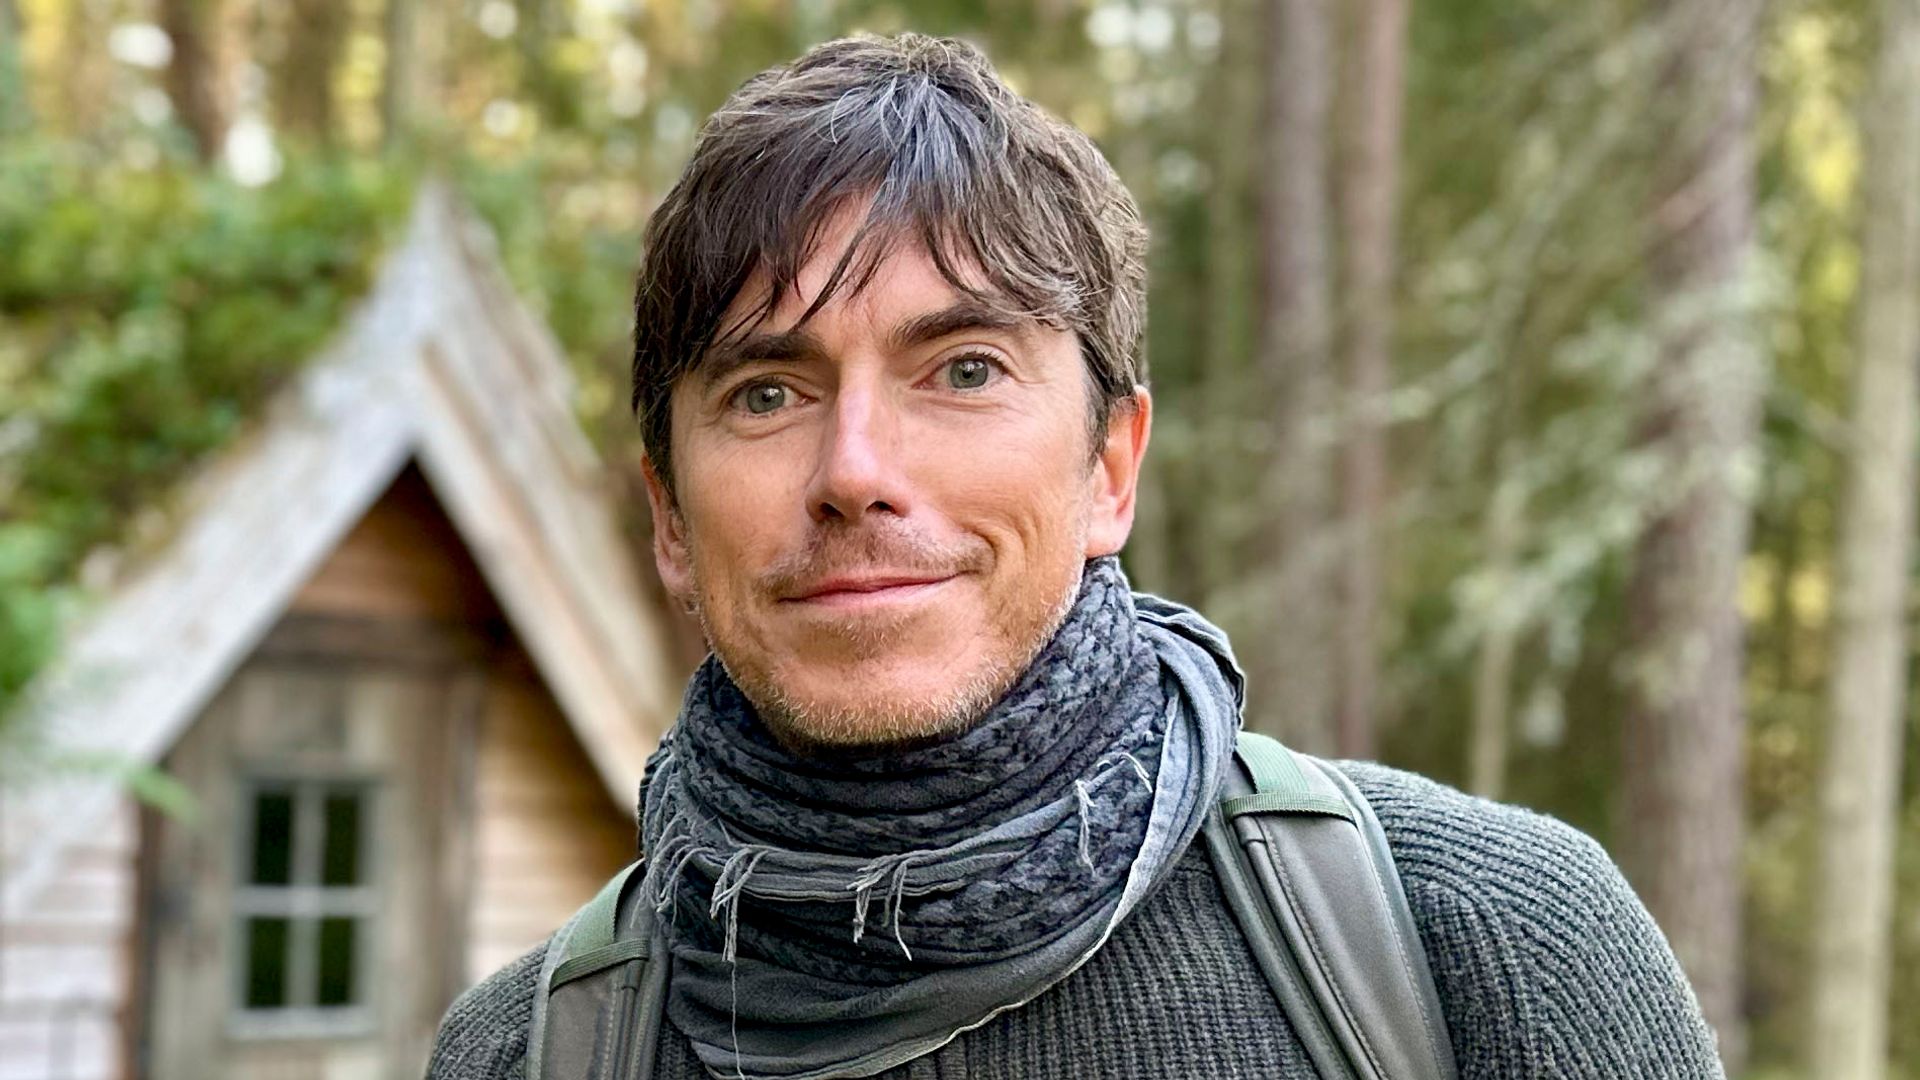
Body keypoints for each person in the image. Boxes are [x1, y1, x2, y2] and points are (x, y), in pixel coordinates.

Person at [428, 32, 1726, 1079]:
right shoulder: (525, 1053)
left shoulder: (1484, 952)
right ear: (665, 511)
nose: (856, 472)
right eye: (768, 391)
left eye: (965, 369)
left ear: (1112, 465)